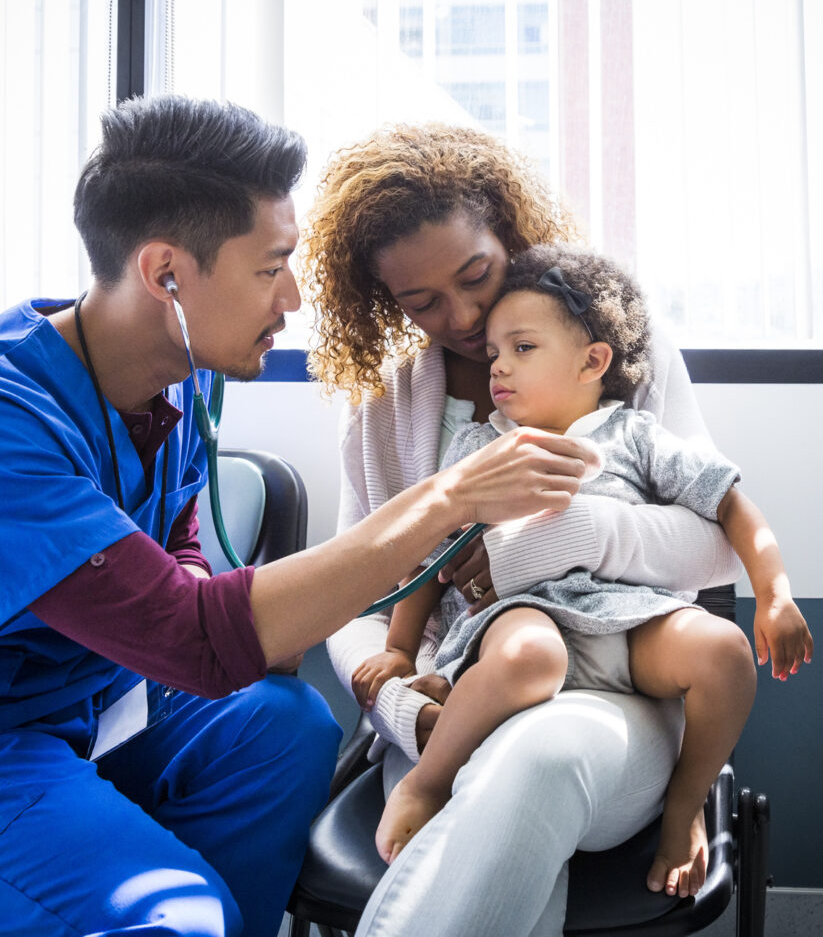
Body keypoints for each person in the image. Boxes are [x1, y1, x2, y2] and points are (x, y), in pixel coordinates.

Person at [0, 97, 592, 937]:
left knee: (285, 728)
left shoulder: (183, 372)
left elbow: (176, 546)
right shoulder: (14, 424)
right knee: (178, 915)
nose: (295, 295)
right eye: (271, 265)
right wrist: (450, 498)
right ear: (167, 275)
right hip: (13, 735)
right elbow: (193, 639)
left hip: (97, 699)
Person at [302, 122, 751, 937]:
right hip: (459, 698)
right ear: (383, 303)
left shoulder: (613, 354)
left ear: (510, 231)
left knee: (538, 757)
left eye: (477, 274)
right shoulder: (385, 409)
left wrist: (568, 534)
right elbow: (354, 596)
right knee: (508, 828)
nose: (465, 315)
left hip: (617, 693)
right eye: (421, 302)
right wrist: (407, 709)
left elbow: (715, 542)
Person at [364, 242, 813, 896]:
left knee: (722, 650)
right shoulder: (480, 447)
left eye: (521, 348)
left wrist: (773, 595)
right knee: (529, 658)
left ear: (592, 361)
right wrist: (400, 650)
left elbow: (732, 507)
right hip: (520, 618)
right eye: (492, 353)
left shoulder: (635, 437)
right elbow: (432, 556)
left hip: (627, 624)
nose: (497, 368)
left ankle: (683, 809)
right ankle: (425, 782)